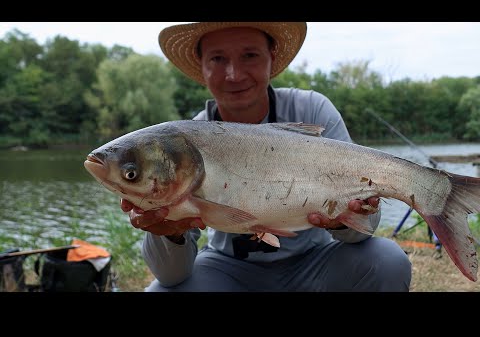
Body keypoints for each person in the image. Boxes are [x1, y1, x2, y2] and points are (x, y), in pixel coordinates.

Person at [120, 22, 412, 292]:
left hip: (315, 262)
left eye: (249, 55)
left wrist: (342, 219)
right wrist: (168, 232)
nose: (234, 74)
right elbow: (171, 276)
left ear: (272, 56)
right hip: (227, 270)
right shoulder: (177, 147)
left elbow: (364, 232)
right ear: (202, 65)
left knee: (387, 261)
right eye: (217, 59)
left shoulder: (312, 110)